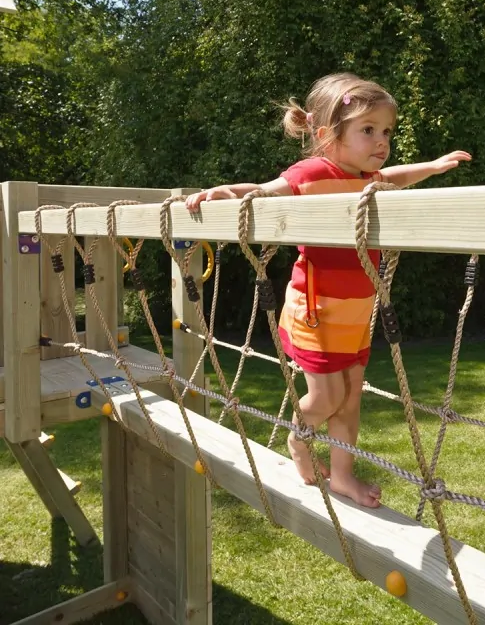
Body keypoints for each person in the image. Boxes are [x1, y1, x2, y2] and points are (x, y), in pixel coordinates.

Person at [185, 72, 470, 507]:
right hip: (316, 309)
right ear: (326, 135)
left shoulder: (368, 179)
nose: (382, 141)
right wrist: (227, 192)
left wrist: (431, 167)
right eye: (368, 130)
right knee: (328, 395)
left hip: (357, 311)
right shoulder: (312, 171)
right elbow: (265, 192)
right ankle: (299, 441)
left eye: (387, 131)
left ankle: (342, 475)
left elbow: (396, 175)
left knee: (351, 398)